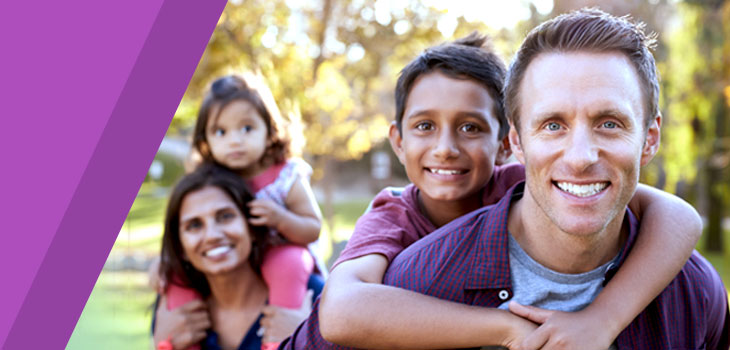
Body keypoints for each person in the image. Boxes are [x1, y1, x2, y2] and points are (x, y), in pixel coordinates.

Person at [282, 32, 706, 349]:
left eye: (470, 128)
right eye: (425, 126)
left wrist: (604, 319)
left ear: (507, 144)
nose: (446, 149)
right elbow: (340, 313)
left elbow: (680, 217)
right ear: (397, 140)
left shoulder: (526, 181)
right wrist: (506, 326)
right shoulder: (394, 216)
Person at [379, 9, 729, 349]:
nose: (580, 158)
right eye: (553, 125)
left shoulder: (694, 292)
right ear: (516, 142)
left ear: (649, 139)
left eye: (609, 123)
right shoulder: (417, 284)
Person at [156, 73, 324, 350]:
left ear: (270, 131)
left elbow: (313, 226)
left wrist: (280, 218)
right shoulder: (211, 180)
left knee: (288, 262)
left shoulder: (285, 176)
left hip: (283, 250)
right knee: (172, 275)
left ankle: (280, 339)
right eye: (221, 132)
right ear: (206, 141)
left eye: (246, 128)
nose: (235, 141)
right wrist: (163, 342)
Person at [152, 164, 323, 350]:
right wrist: (163, 346)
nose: (212, 235)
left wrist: (303, 344)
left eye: (225, 216)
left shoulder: (314, 299)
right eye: (194, 225)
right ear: (181, 247)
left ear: (251, 228)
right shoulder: (174, 314)